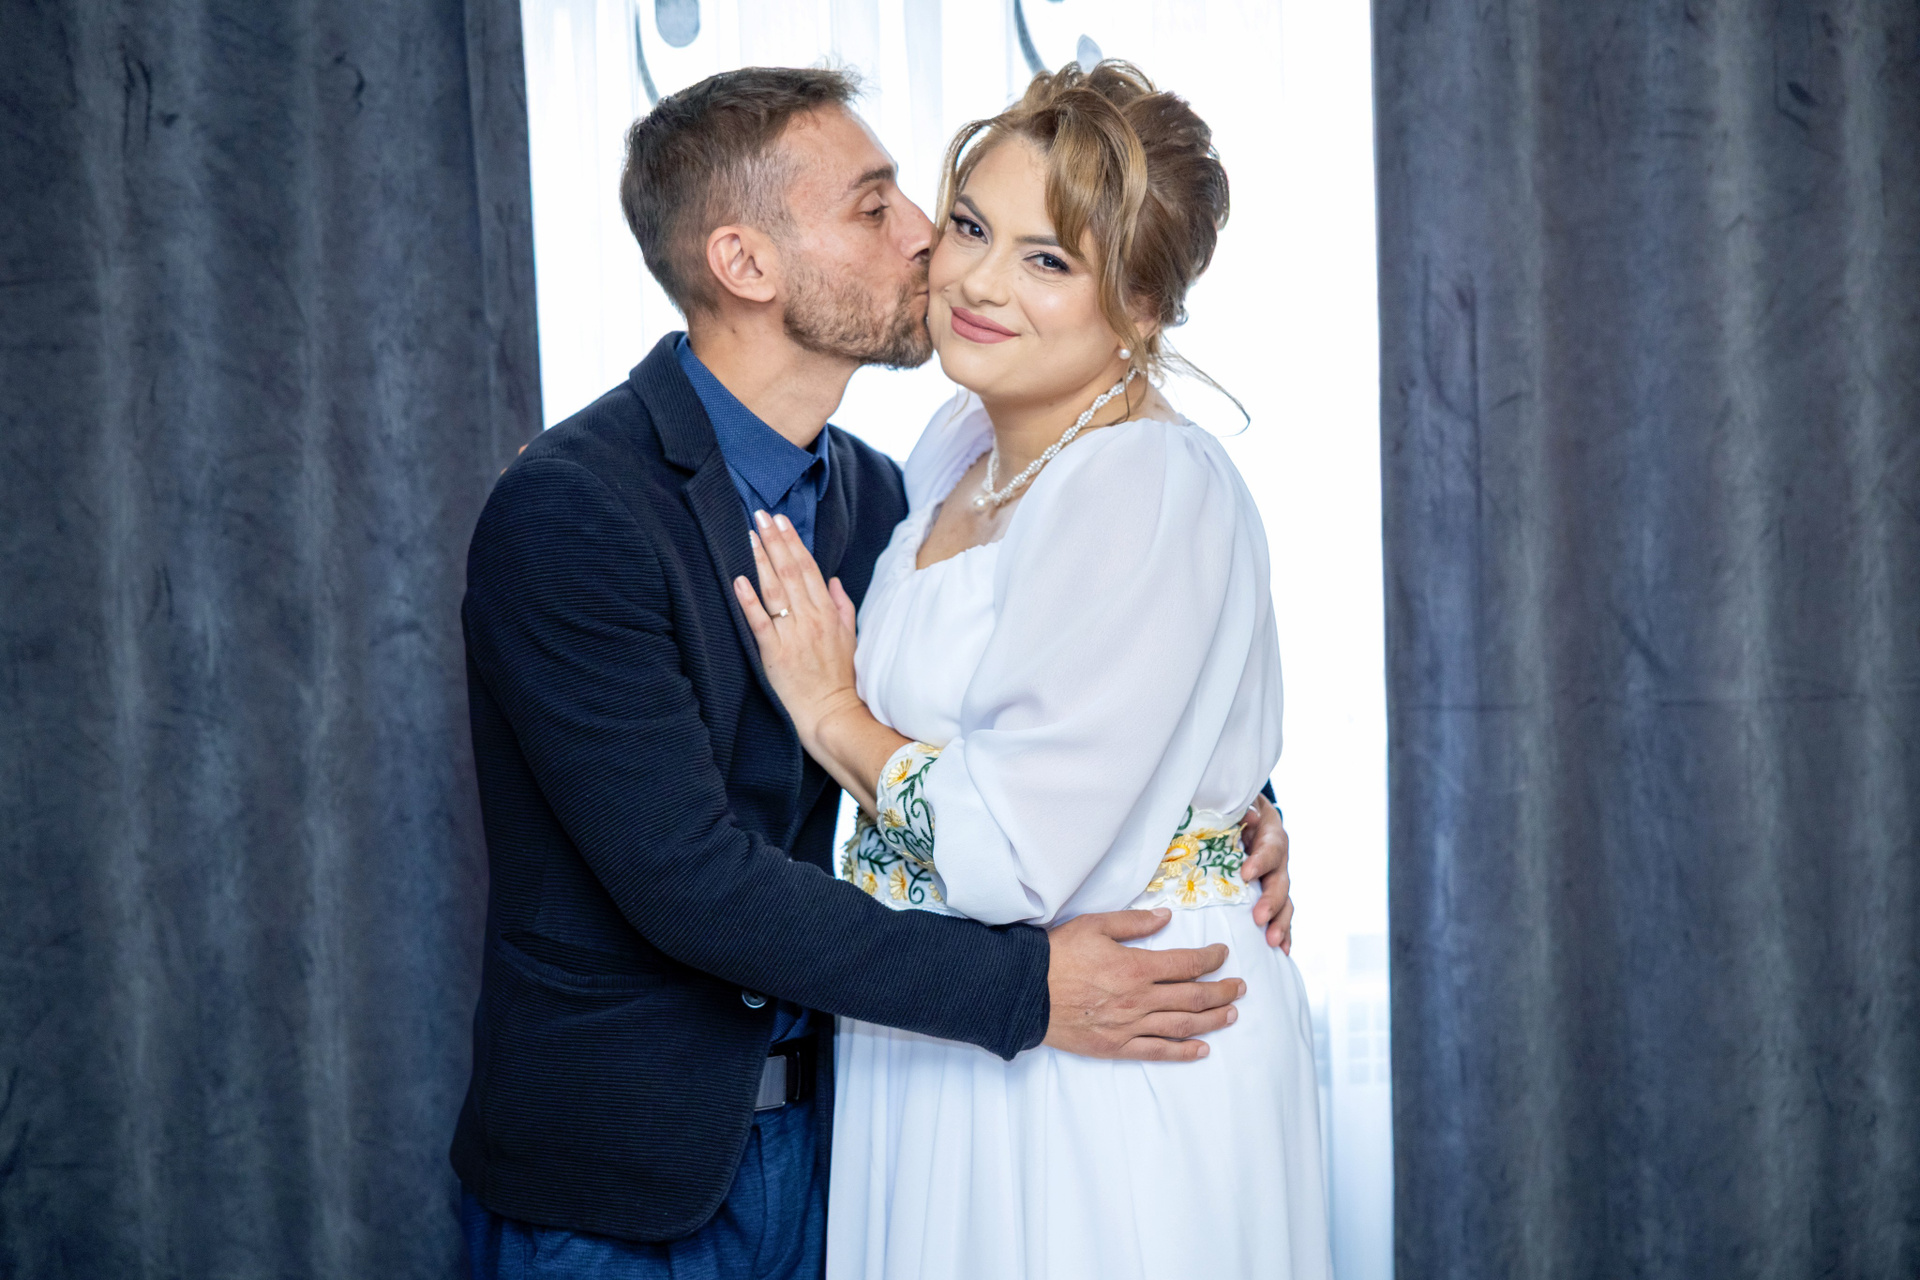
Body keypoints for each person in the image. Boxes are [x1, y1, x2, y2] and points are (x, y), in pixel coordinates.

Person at [451, 66, 1296, 1279]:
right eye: (879, 208)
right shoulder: (574, 510)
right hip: (632, 1172)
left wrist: (1230, 808)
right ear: (746, 263)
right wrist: (1027, 989)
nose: (928, 243)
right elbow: (689, 878)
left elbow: (1065, 676)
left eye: (927, 204)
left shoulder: (879, 489)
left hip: (850, 1128)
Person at [733, 63, 1331, 1279]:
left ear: (1143, 304)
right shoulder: (957, 444)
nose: (979, 283)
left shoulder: (1146, 479)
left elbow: (1014, 852)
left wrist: (833, 713)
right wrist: (1231, 801)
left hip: (1107, 1042)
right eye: (969, 228)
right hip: (957, 1025)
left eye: (1047, 259)